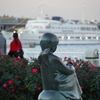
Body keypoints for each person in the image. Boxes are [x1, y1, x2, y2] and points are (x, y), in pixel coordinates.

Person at [38, 33, 82, 100]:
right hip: (55, 90)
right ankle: (75, 95)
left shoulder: (40, 57)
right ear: (53, 45)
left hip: (45, 91)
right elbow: (68, 71)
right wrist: (72, 67)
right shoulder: (53, 58)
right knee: (72, 75)